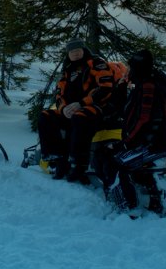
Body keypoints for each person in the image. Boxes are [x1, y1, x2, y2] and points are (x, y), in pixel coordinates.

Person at [37, 39, 127, 184]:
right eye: (72, 51)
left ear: (84, 50)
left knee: (80, 117)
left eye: (78, 50)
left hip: (95, 107)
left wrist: (81, 104)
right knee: (46, 116)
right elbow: (59, 93)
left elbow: (105, 87)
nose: (76, 53)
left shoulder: (96, 63)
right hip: (70, 109)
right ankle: (57, 158)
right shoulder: (67, 69)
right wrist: (63, 108)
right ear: (68, 54)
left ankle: (79, 165)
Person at [111, 48, 166, 208]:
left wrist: (127, 141)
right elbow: (126, 110)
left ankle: (127, 205)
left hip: (151, 145)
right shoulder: (145, 85)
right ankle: (153, 197)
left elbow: (143, 120)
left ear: (139, 67)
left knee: (117, 163)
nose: (129, 71)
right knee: (126, 161)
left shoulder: (148, 87)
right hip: (152, 143)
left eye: (131, 67)